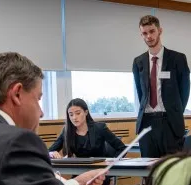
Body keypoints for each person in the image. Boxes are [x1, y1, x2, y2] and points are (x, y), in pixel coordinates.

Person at [0, 52, 105, 185]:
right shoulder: (17, 142)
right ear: (17, 94)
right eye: (38, 99)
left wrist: (77, 184)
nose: (41, 112)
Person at [133, 15, 190, 158]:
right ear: (141, 35)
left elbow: (185, 90)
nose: (149, 36)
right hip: (146, 123)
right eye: (145, 33)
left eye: (152, 31)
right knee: (149, 172)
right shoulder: (138, 62)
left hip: (170, 123)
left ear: (160, 31)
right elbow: (141, 94)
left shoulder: (177, 59)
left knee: (171, 170)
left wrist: (174, 111)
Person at [49, 98, 126, 159]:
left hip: (99, 171)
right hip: (80, 171)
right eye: (71, 115)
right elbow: (49, 151)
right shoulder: (67, 131)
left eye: (78, 113)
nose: (74, 117)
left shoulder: (100, 128)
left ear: (86, 112)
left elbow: (122, 148)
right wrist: (52, 153)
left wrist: (112, 162)